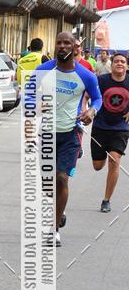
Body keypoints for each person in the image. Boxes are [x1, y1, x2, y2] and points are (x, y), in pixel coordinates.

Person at [31, 31, 102, 246]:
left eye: (66, 43)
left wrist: (92, 112)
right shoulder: (43, 70)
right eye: (58, 43)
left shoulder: (85, 75)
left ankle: (53, 229)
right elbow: (29, 95)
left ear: (75, 47)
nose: (62, 46)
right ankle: (58, 213)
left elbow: (97, 98)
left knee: (61, 178)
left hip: (71, 134)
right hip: (46, 134)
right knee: (47, 184)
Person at [90, 52, 129, 212]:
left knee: (115, 160)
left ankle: (106, 200)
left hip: (121, 128)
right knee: (98, 166)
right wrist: (89, 110)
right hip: (100, 126)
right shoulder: (102, 80)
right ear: (111, 65)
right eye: (117, 61)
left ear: (126, 65)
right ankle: (102, 156)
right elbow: (89, 95)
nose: (119, 63)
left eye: (123, 62)